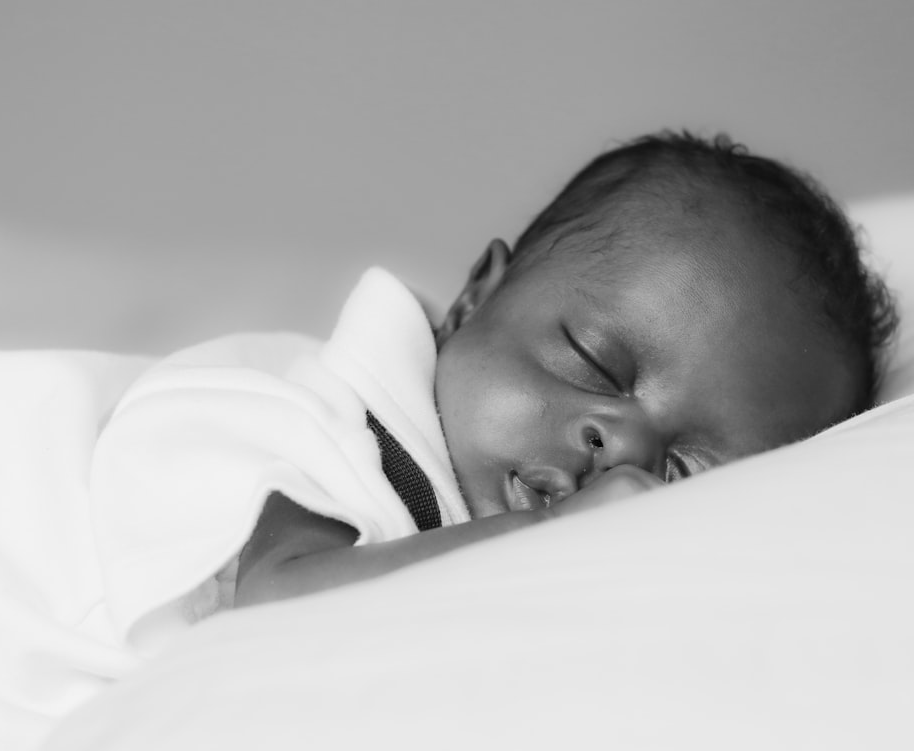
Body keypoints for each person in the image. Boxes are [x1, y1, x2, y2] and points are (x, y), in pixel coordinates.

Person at [227, 130, 898, 607]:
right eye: (596, 367)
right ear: (474, 298)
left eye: (683, 470)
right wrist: (548, 532)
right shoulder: (333, 417)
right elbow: (275, 601)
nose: (628, 452)